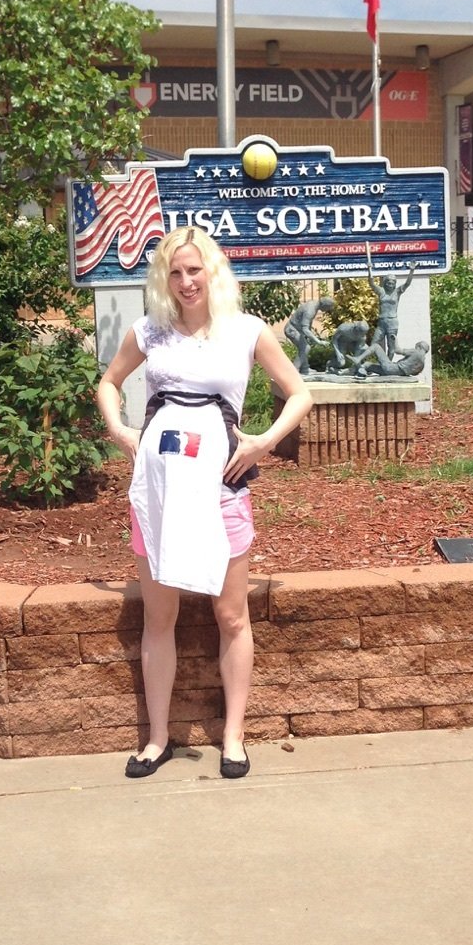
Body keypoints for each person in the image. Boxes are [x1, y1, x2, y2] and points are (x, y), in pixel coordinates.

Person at [96, 228, 312, 781]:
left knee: (230, 614)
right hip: (160, 494)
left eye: (194, 270)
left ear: (212, 271)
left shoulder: (246, 331)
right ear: (164, 279)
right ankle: (158, 739)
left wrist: (263, 441)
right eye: (175, 272)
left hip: (222, 490)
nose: (186, 281)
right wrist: (121, 432)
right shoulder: (149, 331)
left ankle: (233, 737)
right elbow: (110, 382)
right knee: (159, 616)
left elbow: (301, 392)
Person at [366, 256, 417, 357]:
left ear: (395, 284)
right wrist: (369, 269)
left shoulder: (397, 291)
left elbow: (407, 283)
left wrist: (411, 270)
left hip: (392, 322)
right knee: (373, 344)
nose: (390, 284)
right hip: (381, 322)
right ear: (385, 283)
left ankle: (388, 366)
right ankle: (379, 361)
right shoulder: (381, 291)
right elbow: (371, 283)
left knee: (391, 346)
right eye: (388, 282)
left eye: (392, 283)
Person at [282, 294, 335, 372]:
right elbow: (305, 329)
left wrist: (309, 337)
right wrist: (318, 341)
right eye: (328, 307)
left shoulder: (313, 304)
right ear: (324, 305)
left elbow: (307, 325)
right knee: (305, 347)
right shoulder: (310, 310)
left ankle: (305, 368)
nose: (328, 310)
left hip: (296, 329)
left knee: (304, 346)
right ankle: (294, 371)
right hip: (292, 330)